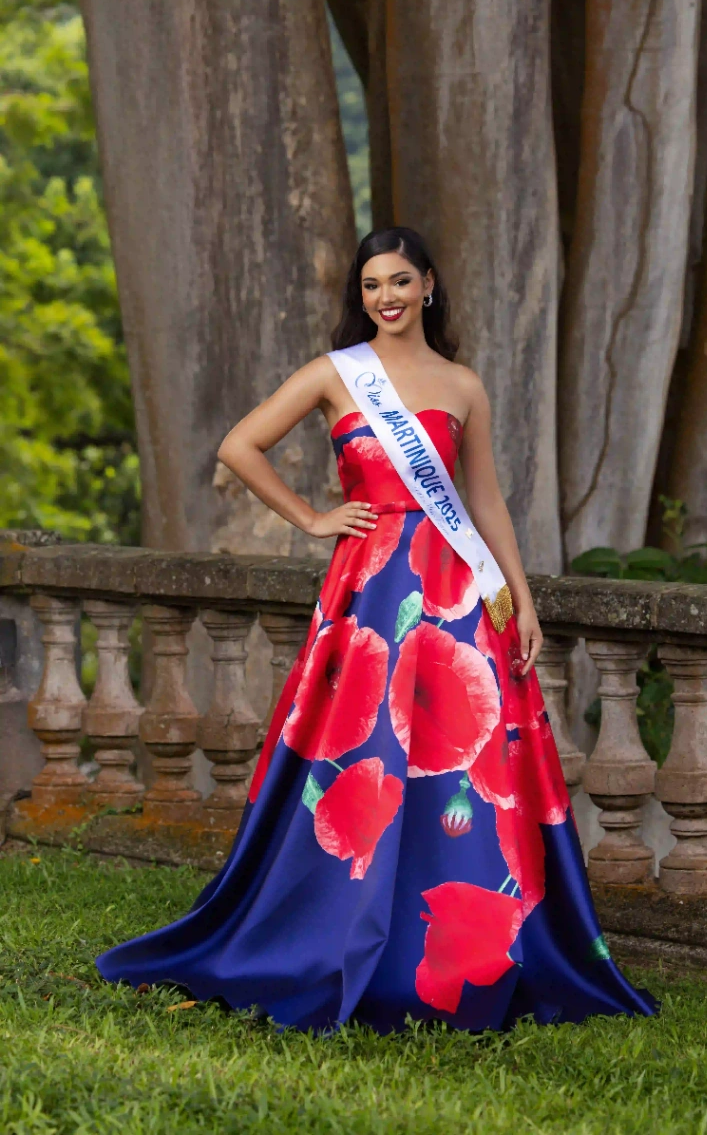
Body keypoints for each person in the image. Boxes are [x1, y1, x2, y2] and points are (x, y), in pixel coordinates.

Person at [97, 227, 656, 1033]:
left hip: (461, 596)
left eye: (399, 281)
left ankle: (472, 945)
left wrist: (521, 600)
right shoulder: (335, 373)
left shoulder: (463, 384)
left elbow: (486, 501)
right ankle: (333, 929)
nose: (385, 298)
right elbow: (239, 445)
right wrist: (314, 517)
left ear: (429, 284)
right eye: (370, 286)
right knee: (363, 755)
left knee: (454, 758)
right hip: (369, 594)